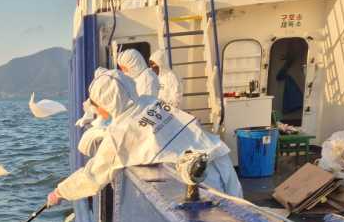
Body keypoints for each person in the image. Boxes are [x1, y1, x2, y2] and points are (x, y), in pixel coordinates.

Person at [48, 70, 242, 206]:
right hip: (219, 158)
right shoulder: (151, 102)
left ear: (107, 102)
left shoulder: (120, 133)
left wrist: (60, 192)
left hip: (201, 180)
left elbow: (93, 175)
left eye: (96, 103)